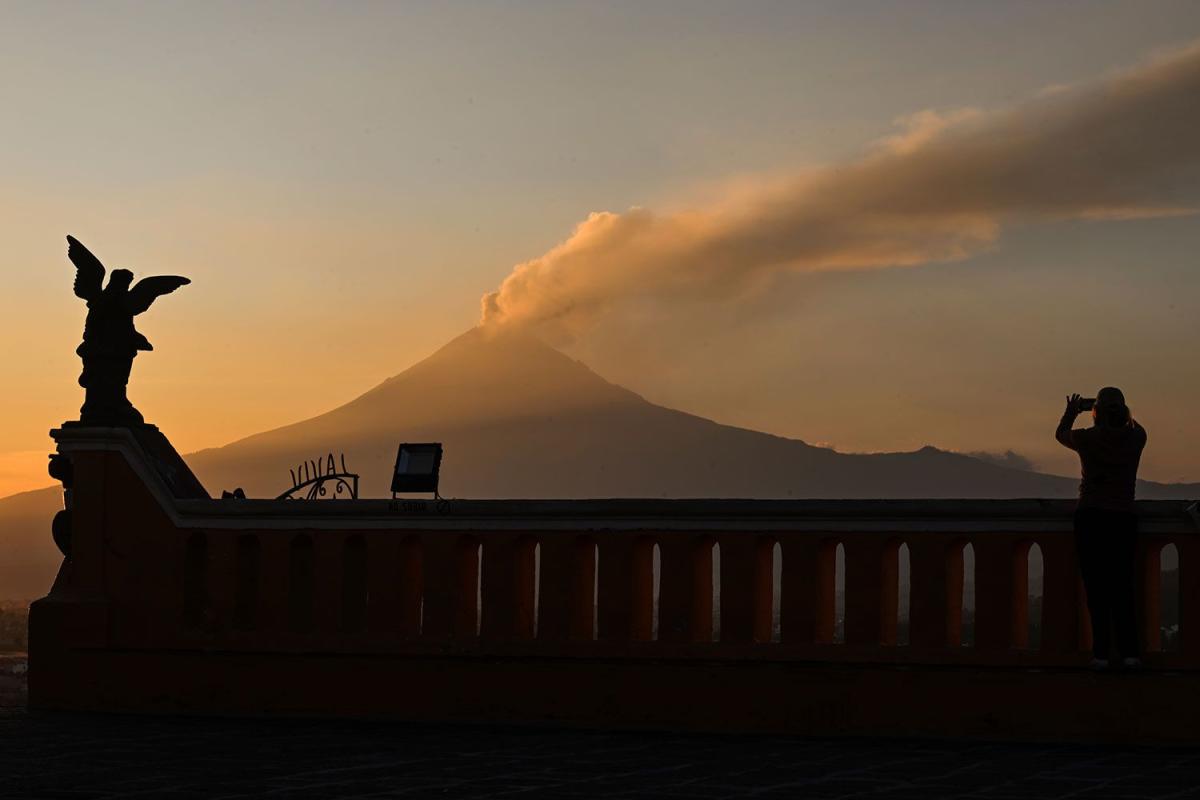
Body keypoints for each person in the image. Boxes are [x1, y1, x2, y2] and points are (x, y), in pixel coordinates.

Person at [1055, 387, 1147, 670]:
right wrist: (1114, 407)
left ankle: (1101, 655)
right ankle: (1130, 654)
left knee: (1096, 589)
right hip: (1123, 518)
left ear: (1097, 412)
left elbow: (1061, 435)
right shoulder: (1136, 437)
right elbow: (1136, 424)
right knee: (1122, 587)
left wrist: (1074, 411)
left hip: (1092, 516)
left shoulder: (1087, 438)